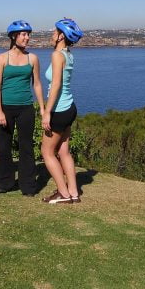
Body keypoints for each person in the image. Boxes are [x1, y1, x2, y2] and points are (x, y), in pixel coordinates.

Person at [0, 20, 44, 196]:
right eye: (23, 34)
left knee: (26, 147)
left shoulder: (33, 58)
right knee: (4, 147)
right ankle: (5, 183)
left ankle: (28, 186)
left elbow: (37, 84)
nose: (27, 38)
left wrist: (42, 108)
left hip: (26, 108)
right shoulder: (1, 58)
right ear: (14, 36)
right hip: (6, 108)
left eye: (28, 34)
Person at [41, 18, 84, 204]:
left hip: (58, 110)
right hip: (69, 108)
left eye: (54, 32)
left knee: (47, 152)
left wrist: (47, 112)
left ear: (61, 36)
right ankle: (73, 192)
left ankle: (63, 194)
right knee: (64, 151)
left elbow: (56, 84)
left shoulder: (57, 55)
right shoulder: (68, 54)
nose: (52, 35)